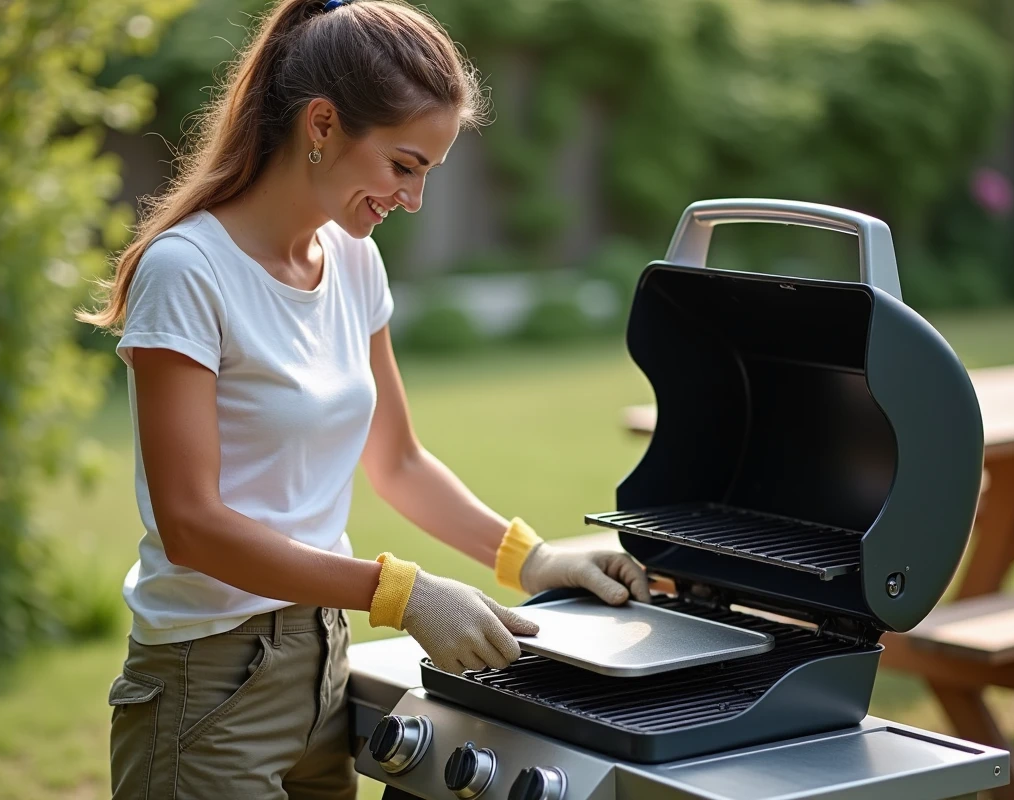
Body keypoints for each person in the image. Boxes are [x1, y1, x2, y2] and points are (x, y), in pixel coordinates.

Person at [78, 0, 651, 798]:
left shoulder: (352, 262)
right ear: (321, 125)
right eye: (403, 165)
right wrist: (400, 592)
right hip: (205, 689)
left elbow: (399, 460)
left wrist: (533, 558)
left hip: (324, 666)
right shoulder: (188, 271)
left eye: (428, 174)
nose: (412, 198)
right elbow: (192, 526)